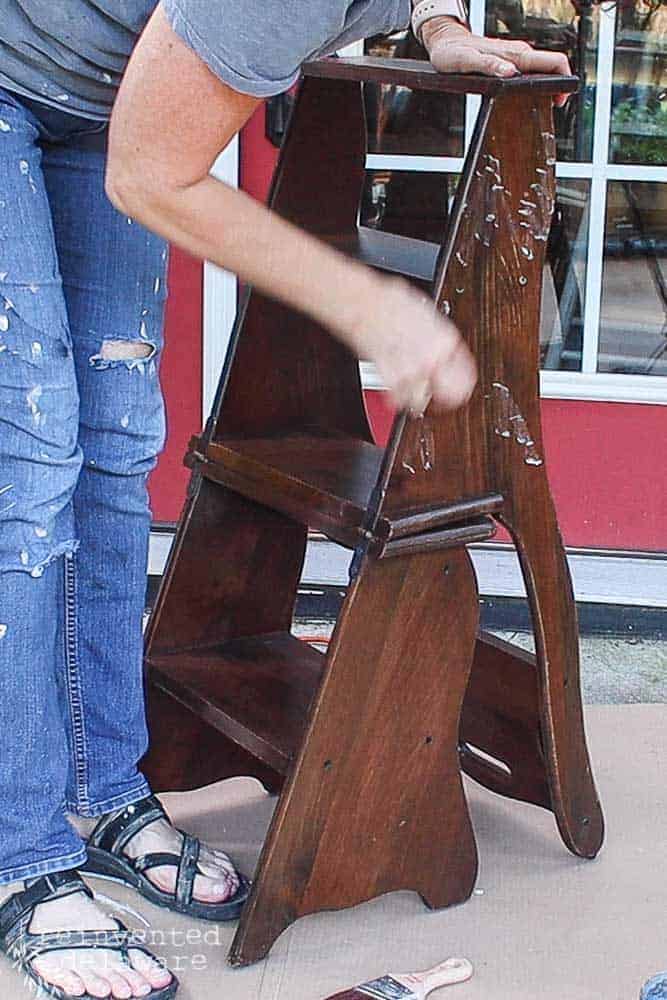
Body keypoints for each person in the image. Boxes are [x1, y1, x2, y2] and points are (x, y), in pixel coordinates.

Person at [0, 2, 572, 999]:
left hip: (111, 92)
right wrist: (367, 309)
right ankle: (19, 850)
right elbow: (151, 172)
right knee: (32, 458)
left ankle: (103, 787)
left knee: (119, 442)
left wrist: (439, 26)